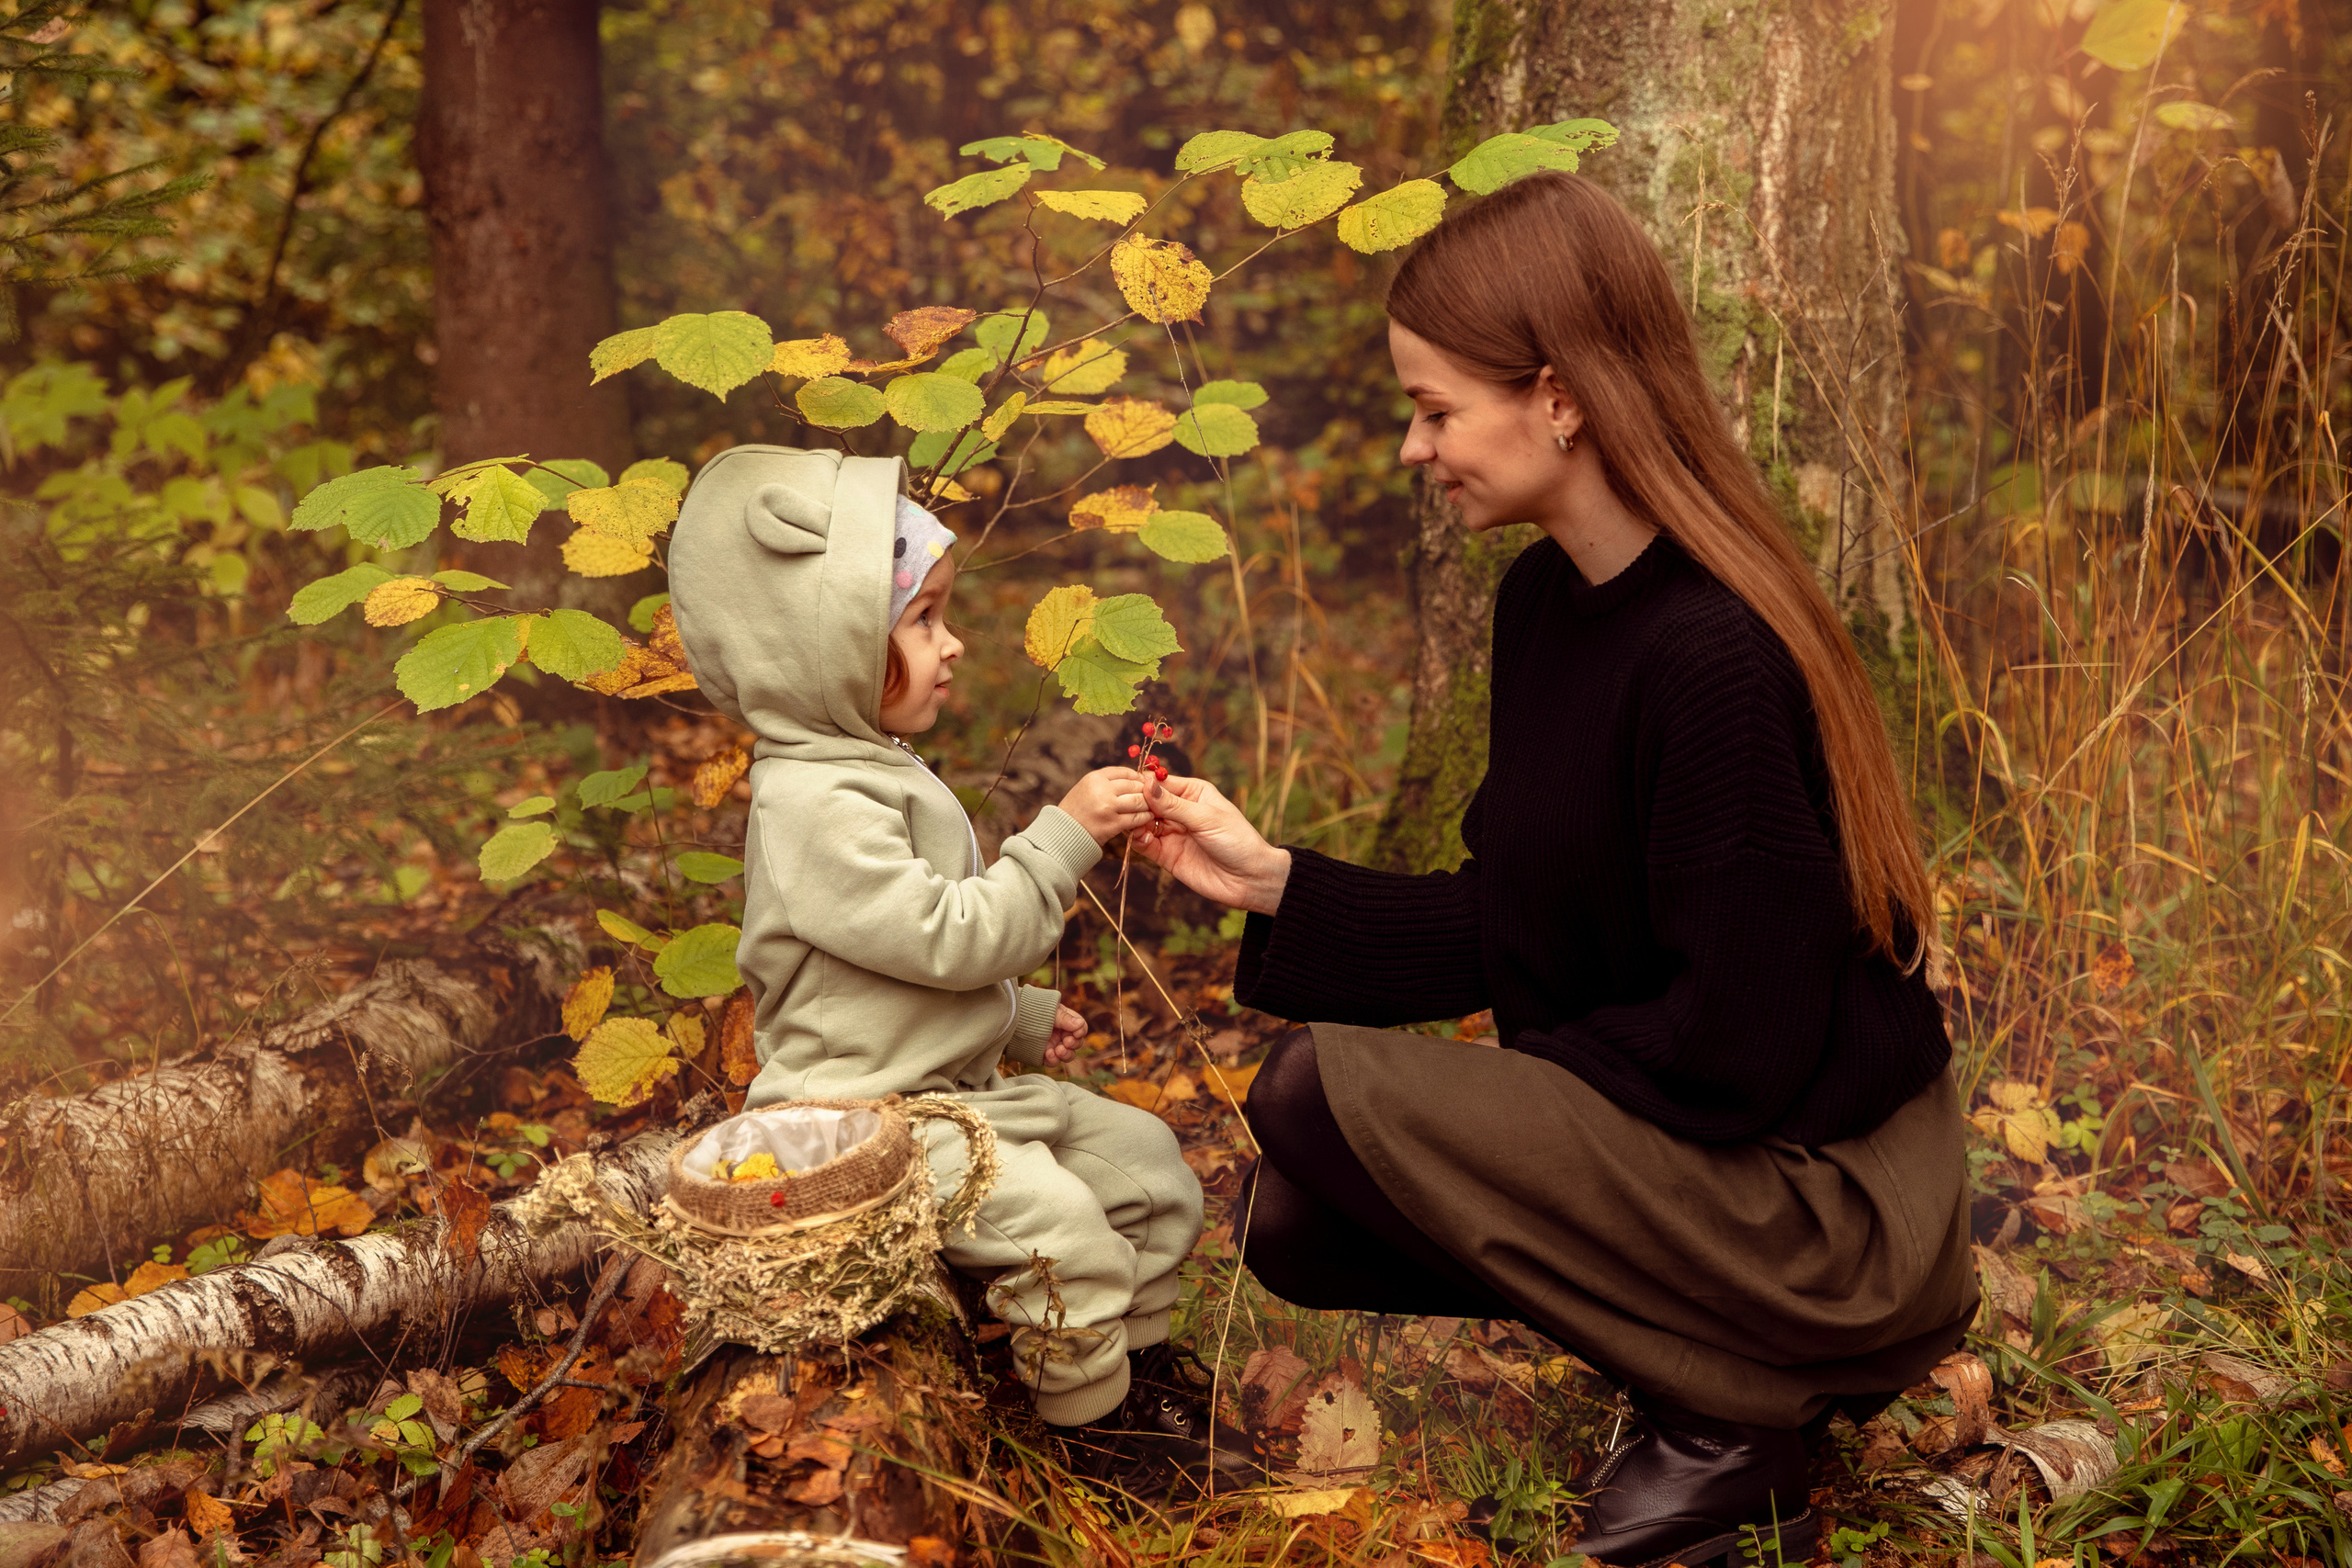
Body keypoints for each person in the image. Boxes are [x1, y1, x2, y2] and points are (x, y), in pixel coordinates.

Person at [1133, 171, 1976, 1565]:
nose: (1413, 447)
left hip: (1834, 1204)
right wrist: (1272, 880)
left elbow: (1738, 1048)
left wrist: (1509, 1103)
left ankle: (1733, 1420)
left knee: (1313, 1090)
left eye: (1435, 410)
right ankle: (1726, 1378)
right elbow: (1518, 918)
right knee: (1300, 1218)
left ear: (1561, 398)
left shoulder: (1712, 655)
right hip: (1727, 1142)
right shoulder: (1541, 605)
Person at [667, 446, 1252, 1496]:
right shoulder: (811, 803)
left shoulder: (865, 764)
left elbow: (891, 964)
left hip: (950, 1096)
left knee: (1148, 1168)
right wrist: (1061, 839)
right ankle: (1096, 1438)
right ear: (828, 648)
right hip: (863, 1125)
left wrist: (1016, 1020)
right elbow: (950, 937)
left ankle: (1143, 1372)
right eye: (924, 619)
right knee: (1060, 1232)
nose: (954, 643)